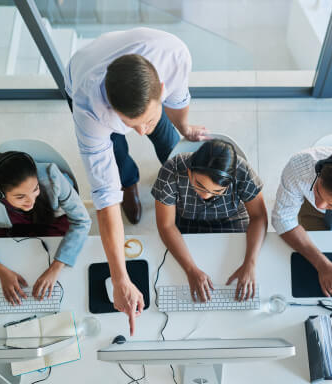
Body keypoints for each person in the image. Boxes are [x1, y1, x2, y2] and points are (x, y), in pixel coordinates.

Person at [64, 27, 207, 334]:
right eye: (132, 124)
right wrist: (120, 279)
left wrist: (183, 128)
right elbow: (105, 197)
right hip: (82, 71)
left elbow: (179, 99)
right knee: (116, 155)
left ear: (162, 88)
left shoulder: (174, 55)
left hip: (149, 73)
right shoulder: (89, 109)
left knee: (168, 138)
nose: (141, 131)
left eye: (147, 121)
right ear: (112, 108)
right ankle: (130, 182)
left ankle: (169, 161)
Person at [152, 139, 268, 302]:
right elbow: (166, 225)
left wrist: (250, 263)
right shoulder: (172, 170)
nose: (206, 195)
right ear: (189, 170)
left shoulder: (242, 170)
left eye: (217, 191)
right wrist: (191, 269)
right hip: (187, 221)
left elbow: (258, 217)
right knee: (176, 274)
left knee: (232, 265)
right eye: (199, 185)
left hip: (231, 219)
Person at [0, 151, 91, 305]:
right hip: (10, 228)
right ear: (0, 195)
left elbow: (82, 221)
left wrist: (56, 267)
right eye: (20, 197)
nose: (31, 201)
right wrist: (0, 270)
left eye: (35, 189)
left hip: (52, 222)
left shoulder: (52, 175)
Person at [272, 146, 332, 297]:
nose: (320, 205)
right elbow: (282, 219)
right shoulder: (299, 166)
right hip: (311, 213)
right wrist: (322, 264)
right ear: (318, 172)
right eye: (317, 190)